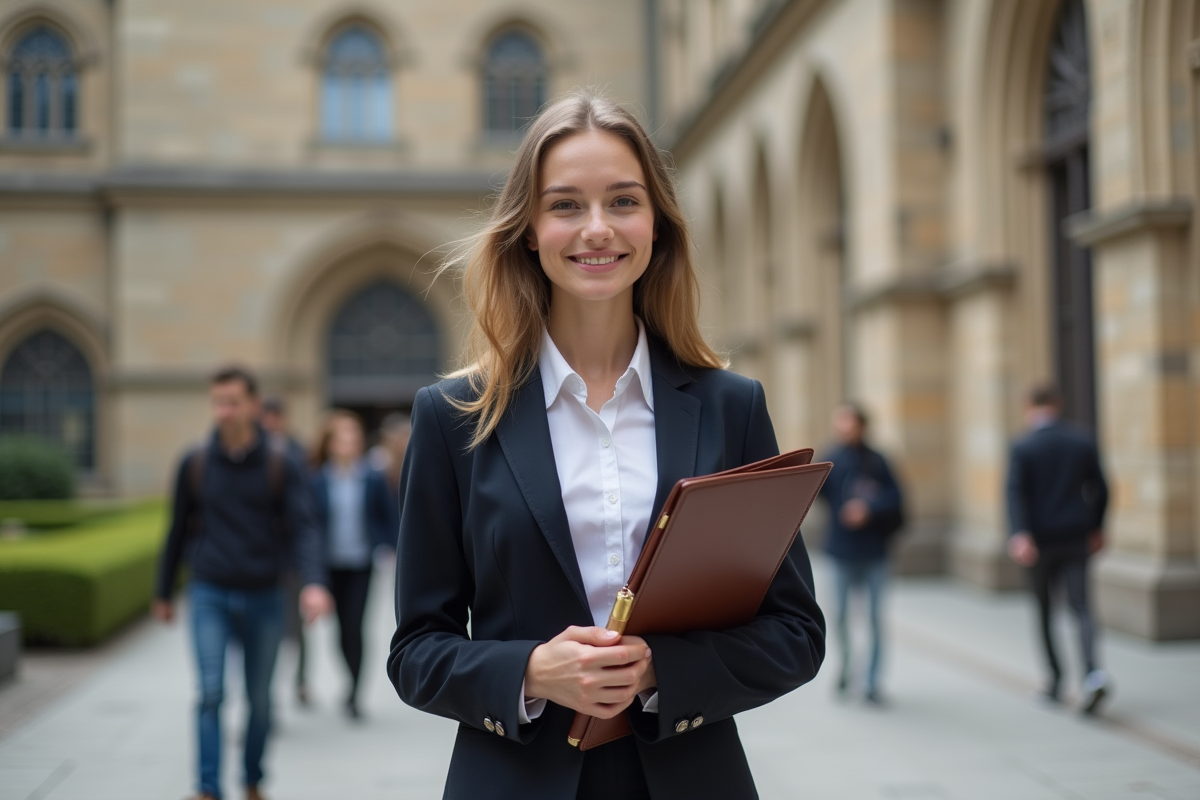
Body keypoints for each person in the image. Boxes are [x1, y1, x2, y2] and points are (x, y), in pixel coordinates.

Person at [386, 91, 825, 800]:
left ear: (656, 225)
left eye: (623, 201)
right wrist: (532, 672)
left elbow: (795, 634)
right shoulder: (453, 418)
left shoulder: (729, 407)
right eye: (565, 205)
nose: (597, 229)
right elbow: (416, 654)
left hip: (689, 777)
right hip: (514, 780)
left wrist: (659, 670)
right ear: (528, 229)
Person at [154, 366, 332, 800]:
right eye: (217, 402)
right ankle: (207, 788)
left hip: (265, 595)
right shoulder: (193, 462)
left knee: (260, 700)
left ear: (253, 404)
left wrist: (312, 583)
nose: (224, 411)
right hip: (210, 591)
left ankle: (253, 780)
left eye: (232, 402)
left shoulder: (280, 461)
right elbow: (177, 529)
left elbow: (304, 526)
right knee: (211, 692)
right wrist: (162, 592)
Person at [1006, 384, 1111, 714]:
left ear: (1028, 406)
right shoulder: (1081, 440)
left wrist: (1020, 534)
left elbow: (1015, 493)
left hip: (1038, 542)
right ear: (1058, 404)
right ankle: (1092, 673)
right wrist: (1097, 526)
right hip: (1076, 535)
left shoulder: (1023, 446)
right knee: (1081, 607)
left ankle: (1054, 679)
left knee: (1044, 610)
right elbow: (1102, 488)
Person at [310, 409, 398, 719]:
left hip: (362, 563)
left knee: (355, 626)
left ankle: (355, 694)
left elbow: (389, 517)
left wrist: (394, 547)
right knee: (338, 632)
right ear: (330, 443)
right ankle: (349, 679)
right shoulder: (318, 479)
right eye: (342, 437)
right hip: (329, 565)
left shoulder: (372, 477)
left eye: (354, 437)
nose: (349, 443)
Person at [818, 402, 904, 705]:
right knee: (839, 617)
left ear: (861, 426)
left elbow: (898, 501)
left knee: (875, 619)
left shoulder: (879, 461)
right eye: (839, 423)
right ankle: (845, 667)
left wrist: (869, 509)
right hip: (840, 551)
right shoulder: (830, 458)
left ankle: (871, 682)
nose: (842, 428)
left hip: (874, 552)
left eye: (847, 423)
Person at [260, 395, 313, 708]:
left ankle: (301, 680)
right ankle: (267, 690)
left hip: (290, 560)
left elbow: (305, 512)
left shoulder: (295, 452)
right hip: (264, 560)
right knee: (270, 630)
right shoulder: (254, 452)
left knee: (298, 627)